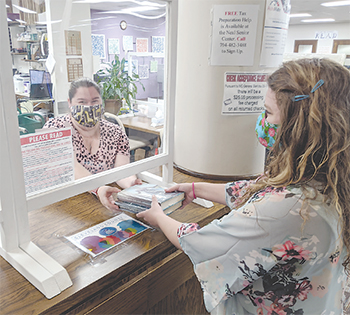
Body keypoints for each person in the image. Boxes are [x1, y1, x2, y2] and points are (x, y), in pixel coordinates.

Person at [137, 58, 350, 314]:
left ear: (300, 125)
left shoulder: (290, 210)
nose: (262, 120)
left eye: (269, 112)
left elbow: (203, 244)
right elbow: (261, 188)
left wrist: (159, 217)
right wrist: (196, 189)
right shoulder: (331, 177)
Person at [44, 77, 141, 211]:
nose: (89, 107)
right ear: (70, 103)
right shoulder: (55, 129)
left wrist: (132, 183)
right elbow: (72, 168)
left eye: (95, 101)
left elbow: (121, 169)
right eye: (82, 102)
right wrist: (98, 189)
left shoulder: (115, 132)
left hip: (102, 203)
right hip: (63, 206)